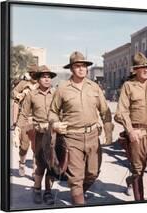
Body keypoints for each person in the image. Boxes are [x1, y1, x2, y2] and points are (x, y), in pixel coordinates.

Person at [48, 51, 113, 205]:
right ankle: (78, 200)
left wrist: (108, 132)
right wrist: (55, 124)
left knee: (92, 173)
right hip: (72, 138)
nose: (81, 69)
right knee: (76, 178)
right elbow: (52, 112)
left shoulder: (94, 87)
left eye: (83, 66)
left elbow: (105, 111)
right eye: (77, 66)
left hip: (92, 137)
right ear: (71, 69)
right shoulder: (63, 88)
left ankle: (79, 193)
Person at [114, 52, 147, 201]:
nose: (145, 70)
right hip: (136, 136)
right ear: (134, 70)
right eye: (141, 67)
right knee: (137, 172)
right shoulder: (128, 86)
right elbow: (120, 112)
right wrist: (130, 131)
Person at [16, 65, 57, 205]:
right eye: (43, 77)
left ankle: (48, 192)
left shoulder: (57, 94)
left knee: (52, 165)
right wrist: (17, 131)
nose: (46, 79)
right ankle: (37, 189)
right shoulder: (31, 95)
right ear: (38, 79)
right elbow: (23, 114)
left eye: (49, 77)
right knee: (40, 164)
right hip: (40, 134)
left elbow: (65, 112)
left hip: (55, 134)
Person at [11, 64, 39, 177]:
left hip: (37, 119)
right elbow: (13, 93)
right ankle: (22, 163)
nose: (34, 76)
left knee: (36, 147)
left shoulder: (40, 85)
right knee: (24, 146)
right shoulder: (23, 84)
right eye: (32, 73)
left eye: (36, 74)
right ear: (30, 73)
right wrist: (20, 94)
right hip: (25, 119)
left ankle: (35, 170)